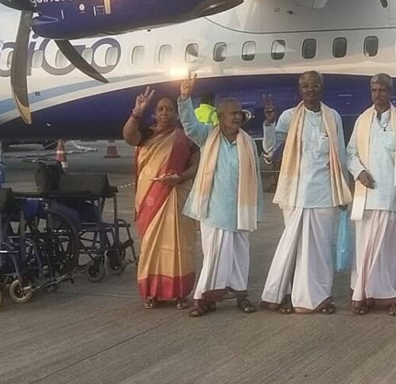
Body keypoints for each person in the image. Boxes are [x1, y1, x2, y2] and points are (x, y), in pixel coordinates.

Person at [260, 71, 352, 314]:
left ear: (322, 88)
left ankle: (320, 297)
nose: (310, 90)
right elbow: (271, 150)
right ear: (300, 90)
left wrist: (343, 190)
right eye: (305, 86)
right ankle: (288, 295)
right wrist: (269, 124)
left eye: (315, 86)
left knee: (320, 249)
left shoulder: (332, 116)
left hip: (324, 193)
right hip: (295, 194)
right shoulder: (289, 117)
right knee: (294, 248)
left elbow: (340, 155)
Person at [177, 74, 263, 317]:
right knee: (214, 256)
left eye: (239, 113)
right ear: (220, 116)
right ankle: (203, 299)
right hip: (214, 211)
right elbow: (189, 125)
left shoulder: (247, 142)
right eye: (232, 113)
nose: (238, 117)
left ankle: (241, 296)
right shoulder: (208, 136)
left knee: (240, 255)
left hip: (240, 210)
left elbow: (255, 179)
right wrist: (185, 98)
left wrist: (255, 208)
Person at [346, 74, 396, 316]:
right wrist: (359, 172)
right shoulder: (362, 120)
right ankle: (363, 294)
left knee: (391, 250)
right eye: (374, 90)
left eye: (381, 90)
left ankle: (392, 297)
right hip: (368, 196)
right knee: (365, 248)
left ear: (390, 92)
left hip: (393, 195)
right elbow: (350, 153)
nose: (377, 94)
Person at [123, 87, 199, 309]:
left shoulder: (185, 137)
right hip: (150, 200)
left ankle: (180, 293)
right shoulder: (147, 135)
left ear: (176, 113)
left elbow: (197, 164)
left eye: (169, 109)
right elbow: (128, 136)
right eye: (160, 109)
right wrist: (136, 113)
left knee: (179, 246)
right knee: (151, 246)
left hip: (176, 197)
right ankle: (151, 293)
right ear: (155, 113)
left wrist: (181, 177)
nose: (164, 112)